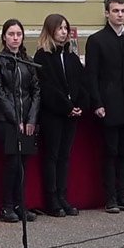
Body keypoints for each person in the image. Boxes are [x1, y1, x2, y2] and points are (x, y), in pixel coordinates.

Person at [85, 0, 124, 213]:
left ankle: (123, 195)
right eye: (115, 11)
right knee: (110, 152)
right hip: (108, 105)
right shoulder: (97, 40)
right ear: (107, 13)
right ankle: (110, 197)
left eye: (123, 11)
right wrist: (97, 103)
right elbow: (91, 75)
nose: (120, 14)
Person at [33, 13, 86, 217]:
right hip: (53, 114)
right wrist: (66, 106)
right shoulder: (42, 56)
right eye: (60, 28)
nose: (64, 32)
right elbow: (47, 87)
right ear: (50, 30)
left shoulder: (71, 56)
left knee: (65, 156)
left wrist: (79, 105)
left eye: (66, 28)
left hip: (71, 114)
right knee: (52, 156)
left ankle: (63, 196)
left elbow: (81, 82)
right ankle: (52, 199)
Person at [0, 19, 40, 222]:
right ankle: (7, 206)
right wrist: (15, 118)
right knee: (13, 161)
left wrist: (31, 119)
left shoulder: (28, 61)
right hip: (7, 120)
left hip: (27, 120)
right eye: (11, 34)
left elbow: (36, 91)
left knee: (23, 163)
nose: (15, 38)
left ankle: (20, 204)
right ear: (4, 37)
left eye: (18, 34)